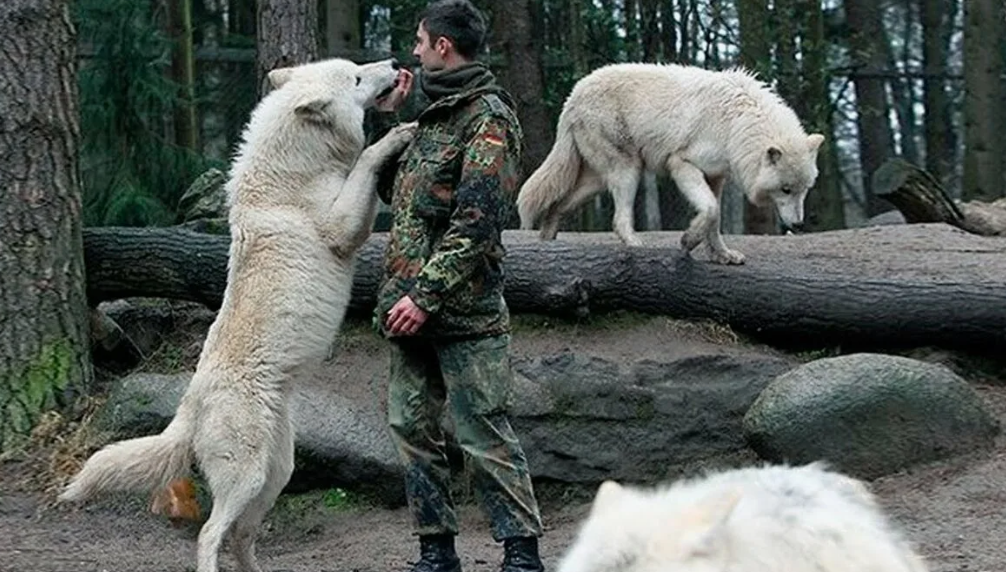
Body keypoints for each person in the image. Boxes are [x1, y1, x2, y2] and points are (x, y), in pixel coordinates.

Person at [371, 1, 545, 572]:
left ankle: (521, 555)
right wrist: (391, 121)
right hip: (408, 309)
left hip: (463, 311)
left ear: (443, 46)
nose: (414, 51)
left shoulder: (487, 117)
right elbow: (396, 199)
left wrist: (425, 296)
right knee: (411, 427)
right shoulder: (430, 118)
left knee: (483, 433)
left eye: (420, 41)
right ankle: (436, 553)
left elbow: (478, 221)